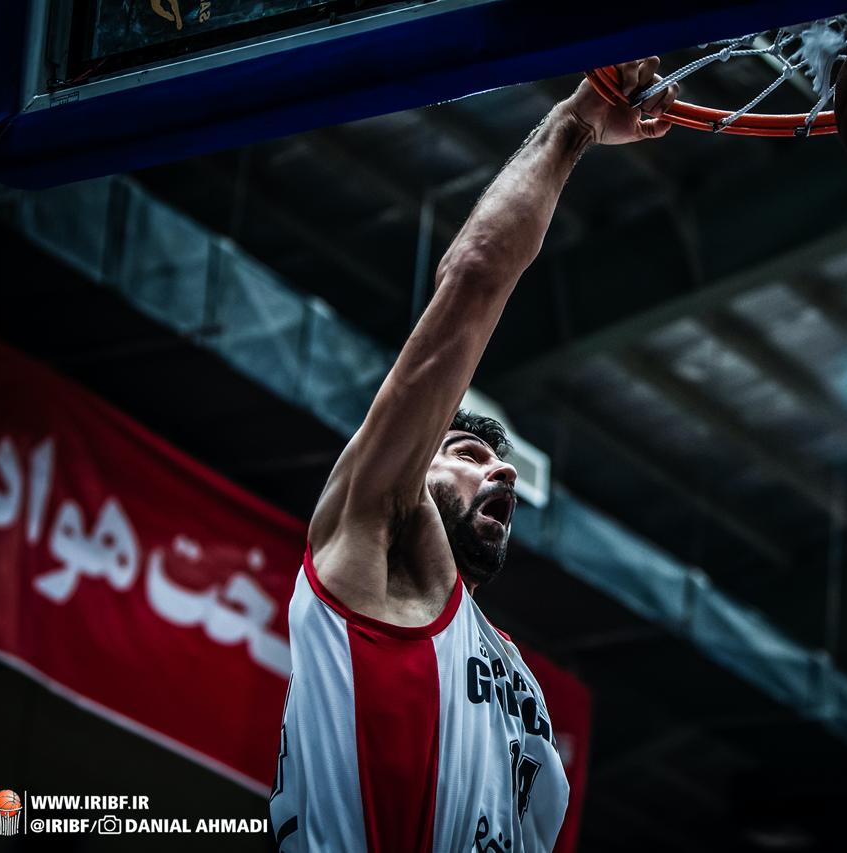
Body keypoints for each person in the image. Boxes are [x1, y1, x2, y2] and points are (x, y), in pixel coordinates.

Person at [268, 59, 680, 852]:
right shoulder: (373, 530)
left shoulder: (519, 683)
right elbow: (473, 279)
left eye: (497, 460)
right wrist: (576, 123)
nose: (505, 470)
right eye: (464, 451)